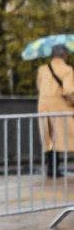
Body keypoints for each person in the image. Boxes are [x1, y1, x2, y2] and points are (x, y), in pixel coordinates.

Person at [37, 44, 74, 177]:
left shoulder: (42, 69)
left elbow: (39, 86)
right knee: (66, 137)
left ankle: (51, 169)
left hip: (43, 106)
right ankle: (54, 169)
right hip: (60, 108)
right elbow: (69, 91)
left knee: (50, 139)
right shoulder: (67, 69)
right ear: (64, 55)